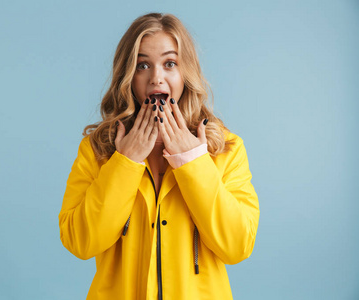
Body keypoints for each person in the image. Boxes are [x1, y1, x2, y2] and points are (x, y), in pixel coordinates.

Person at [59, 12, 260, 300]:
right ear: (128, 76)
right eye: (142, 65)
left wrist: (193, 162)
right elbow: (80, 242)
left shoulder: (225, 148)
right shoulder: (98, 150)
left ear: (185, 73)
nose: (156, 77)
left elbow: (237, 245)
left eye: (170, 64)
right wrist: (125, 162)